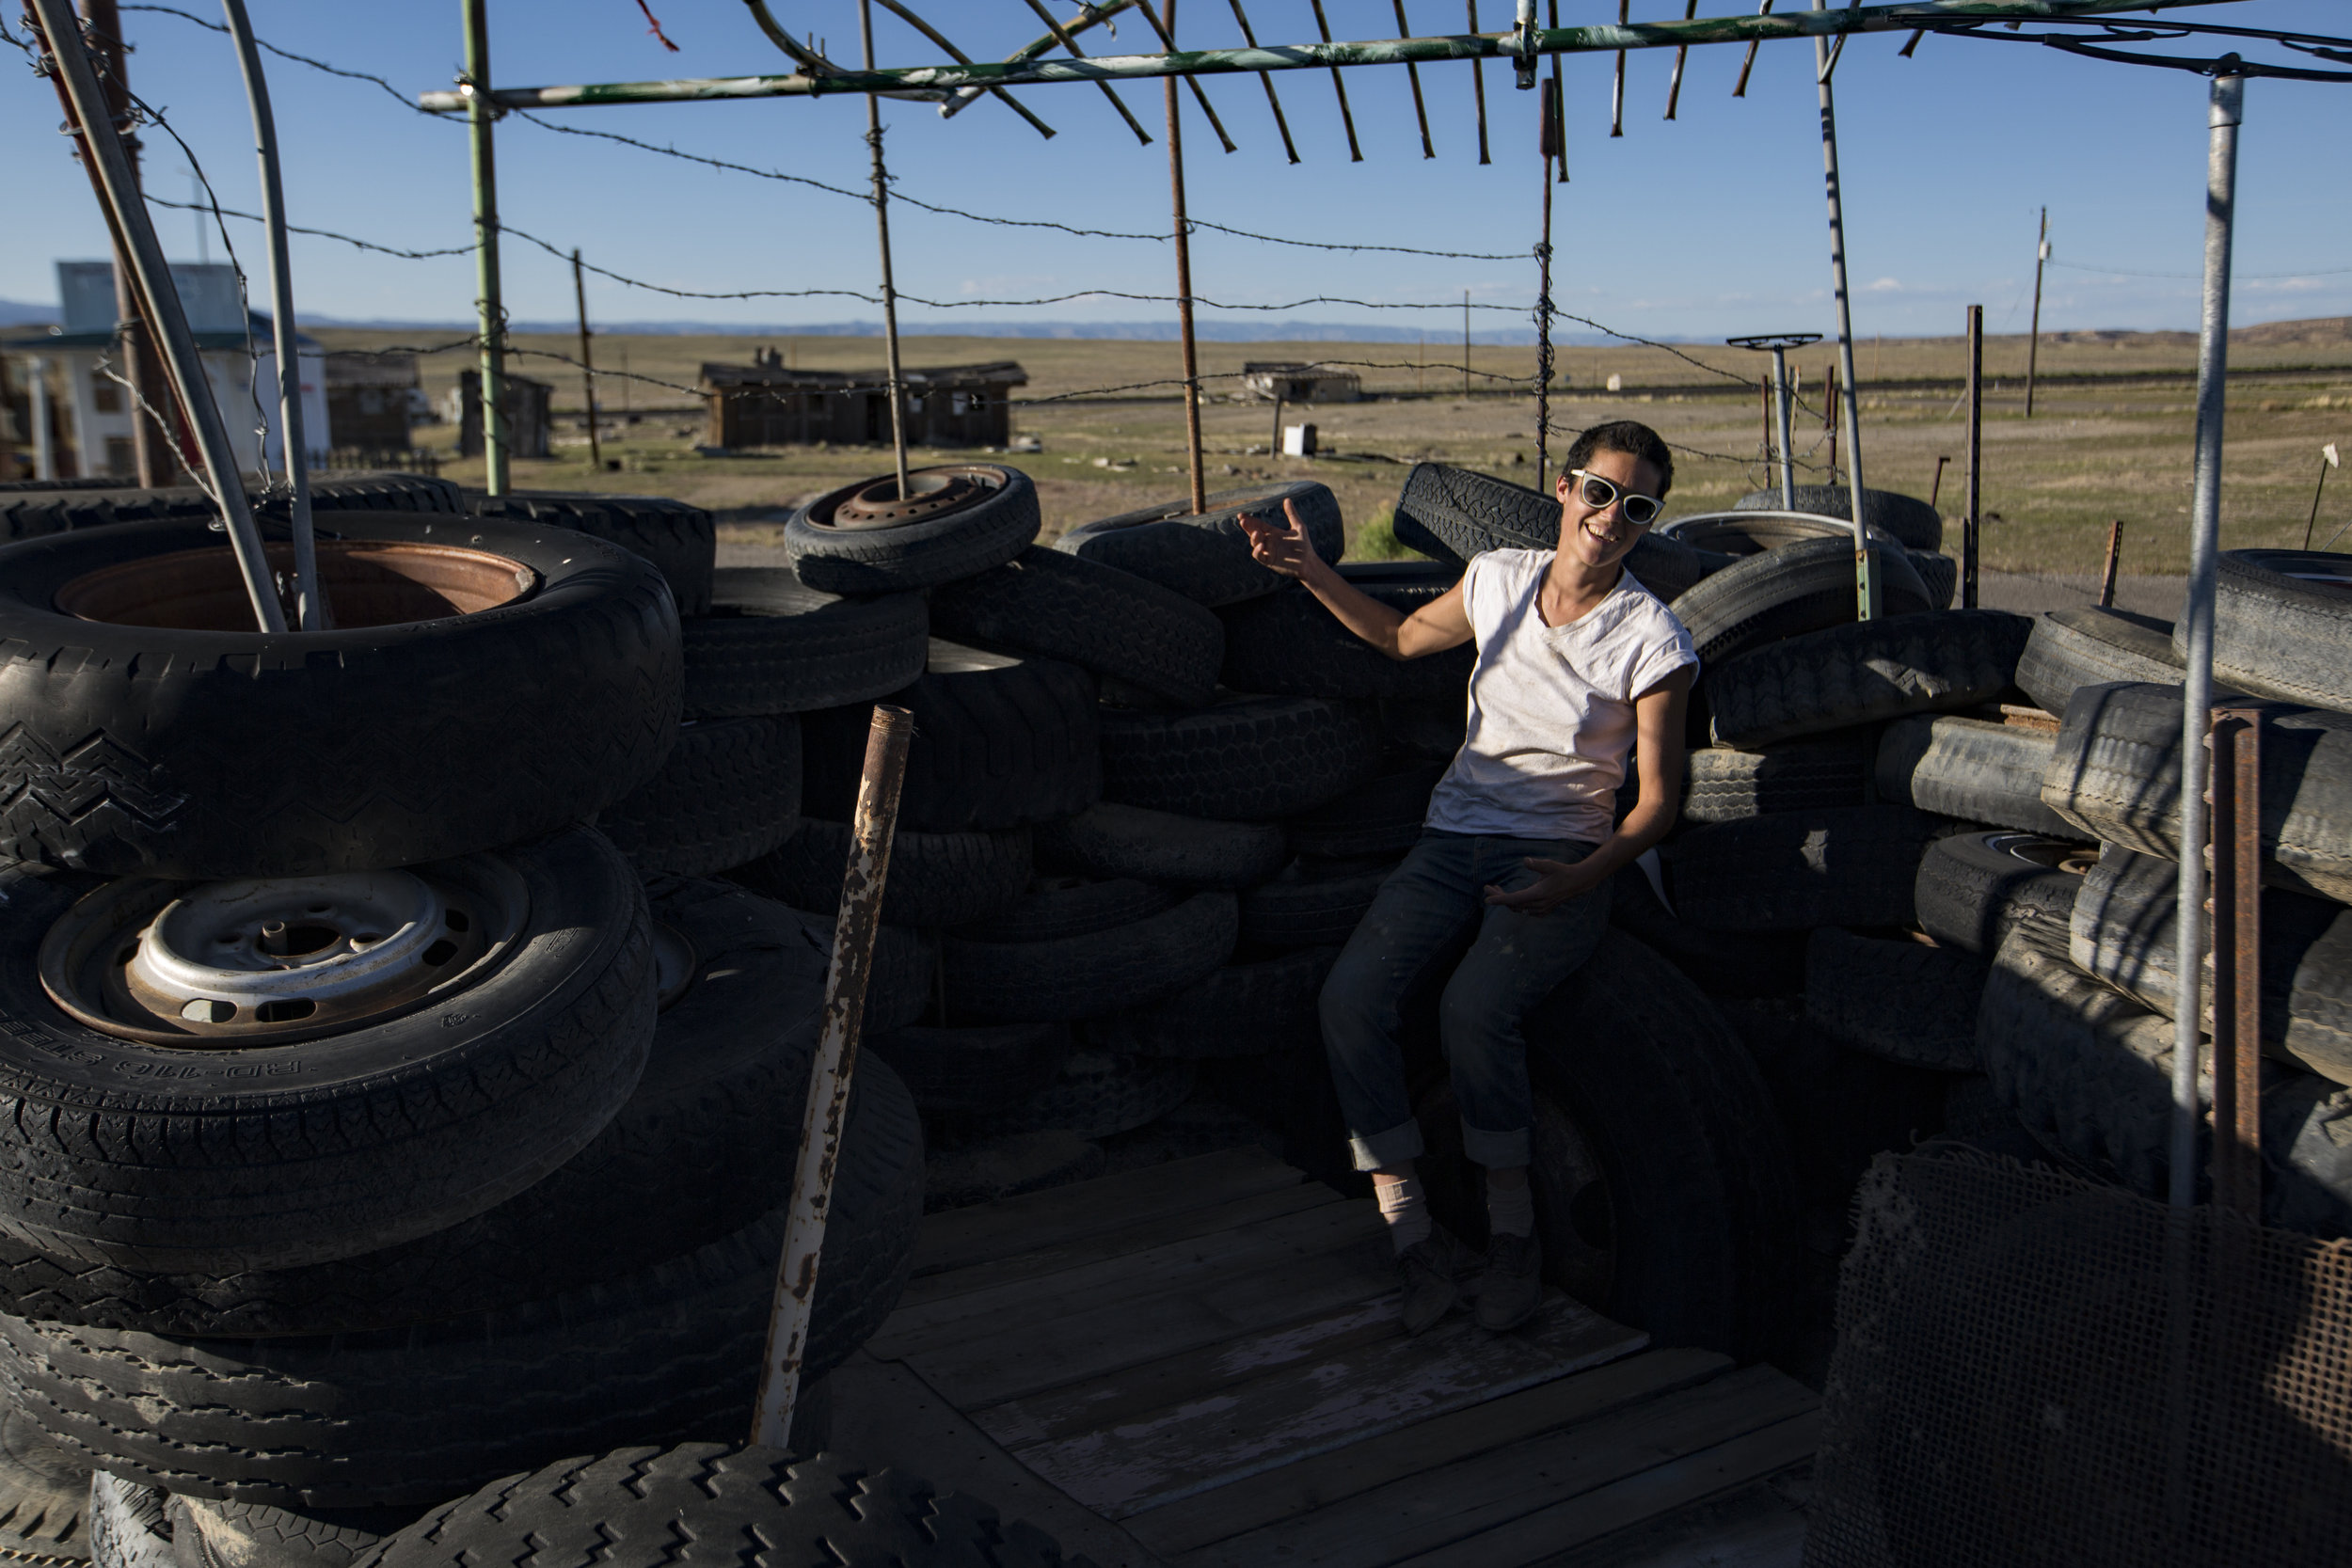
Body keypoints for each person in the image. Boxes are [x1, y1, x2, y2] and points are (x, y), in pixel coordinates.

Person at [1238, 420, 1697, 1336]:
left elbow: (1654, 806)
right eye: (1600, 492)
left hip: (1560, 850)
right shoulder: (1498, 574)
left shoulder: (1651, 636)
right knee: (1351, 997)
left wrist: (1581, 880)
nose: (1612, 517)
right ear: (1565, 489)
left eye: (1637, 505)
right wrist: (1312, 572)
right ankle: (1411, 1233)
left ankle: (1514, 1238)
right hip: (1451, 838)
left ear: (1648, 521)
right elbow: (1404, 639)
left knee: (1475, 1008)